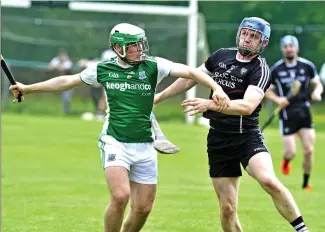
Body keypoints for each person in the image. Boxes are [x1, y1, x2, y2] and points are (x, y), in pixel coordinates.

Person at [9, 23, 229, 232]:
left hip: (145, 145)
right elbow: (67, 81)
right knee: (121, 196)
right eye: (134, 45)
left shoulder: (153, 65)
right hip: (115, 141)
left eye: (141, 44)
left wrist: (216, 87)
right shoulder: (104, 69)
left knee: (143, 208)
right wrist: (28, 88)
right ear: (118, 48)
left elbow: (192, 72)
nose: (139, 49)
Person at [154, 17, 310, 232]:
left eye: (254, 37)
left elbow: (247, 106)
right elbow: (191, 78)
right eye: (245, 33)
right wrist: (159, 97)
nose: (247, 39)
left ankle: (302, 230)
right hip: (218, 139)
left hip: (247, 137)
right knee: (227, 209)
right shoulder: (220, 56)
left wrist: (210, 104)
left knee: (269, 181)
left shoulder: (261, 70)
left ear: (262, 43)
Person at [265, 35, 323, 190]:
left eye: (291, 46)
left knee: (309, 150)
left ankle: (306, 183)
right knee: (291, 152)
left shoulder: (307, 66)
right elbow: (268, 91)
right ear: (282, 49)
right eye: (286, 46)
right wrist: (278, 100)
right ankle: (286, 160)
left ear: (296, 48)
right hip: (286, 113)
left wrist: (317, 92)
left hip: (304, 111)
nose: (289, 49)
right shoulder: (276, 69)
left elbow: (318, 84)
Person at [48, 49, 74, 114]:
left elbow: (66, 68)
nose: (62, 57)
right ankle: (55, 111)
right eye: (61, 56)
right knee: (55, 98)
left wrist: (58, 66)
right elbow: (50, 67)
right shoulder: (55, 60)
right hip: (55, 81)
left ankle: (66, 112)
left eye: (64, 56)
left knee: (66, 98)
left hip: (67, 82)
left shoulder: (68, 62)